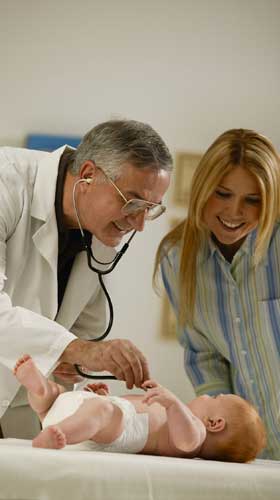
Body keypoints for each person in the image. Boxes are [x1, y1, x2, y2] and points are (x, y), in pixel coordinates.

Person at [0, 119, 172, 439]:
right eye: (132, 202)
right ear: (89, 174)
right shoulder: (6, 183)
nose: (138, 224)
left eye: (149, 209)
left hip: (20, 414)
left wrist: (75, 364)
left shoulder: (99, 227)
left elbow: (84, 326)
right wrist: (79, 350)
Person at [154, 128, 280, 460]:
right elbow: (203, 355)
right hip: (254, 456)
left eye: (252, 200)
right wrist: (223, 437)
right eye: (222, 194)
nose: (234, 212)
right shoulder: (177, 258)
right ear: (202, 188)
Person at [13, 354, 265, 462]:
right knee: (62, 399)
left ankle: (57, 425)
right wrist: (101, 397)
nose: (207, 396)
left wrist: (173, 403)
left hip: (118, 430)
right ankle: (44, 392)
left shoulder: (195, 434)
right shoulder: (187, 420)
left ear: (215, 423)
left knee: (100, 413)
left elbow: (186, 441)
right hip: (101, 417)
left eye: (215, 398)